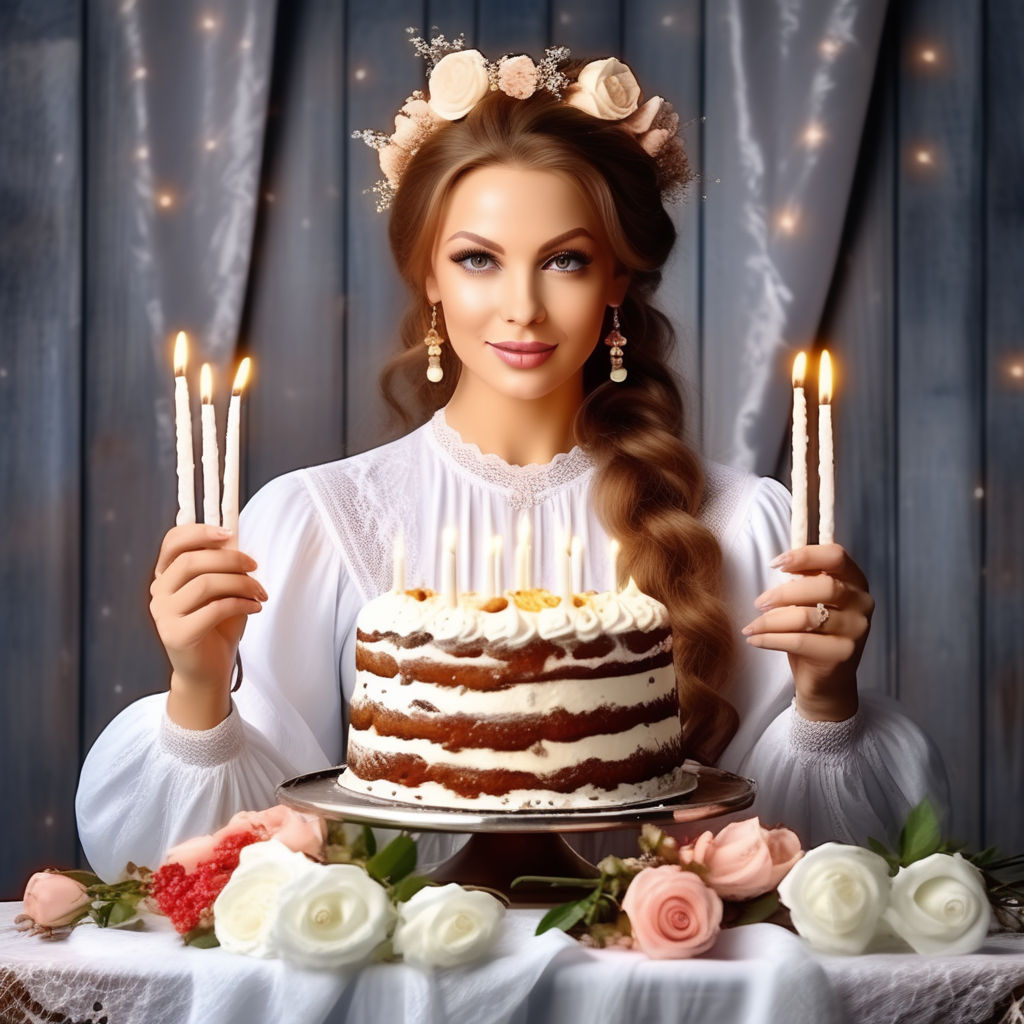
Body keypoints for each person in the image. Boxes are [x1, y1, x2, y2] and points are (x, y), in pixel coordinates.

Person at [76, 42, 946, 881]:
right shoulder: (313, 522)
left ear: (616, 280)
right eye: (478, 260)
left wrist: (827, 705)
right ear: (429, 277)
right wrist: (198, 690)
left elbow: (822, 873)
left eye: (565, 260)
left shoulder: (741, 524)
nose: (522, 307)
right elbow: (251, 850)